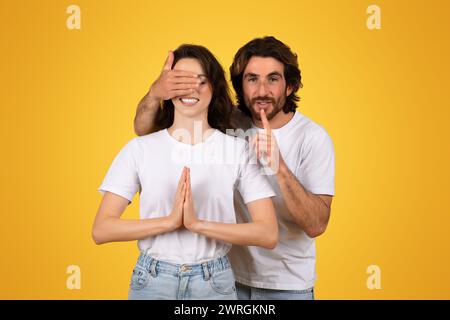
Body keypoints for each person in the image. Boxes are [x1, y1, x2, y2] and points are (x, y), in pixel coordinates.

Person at [134, 36, 335, 300]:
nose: (262, 90)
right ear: (241, 85)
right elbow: (144, 130)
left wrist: (280, 167)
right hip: (225, 279)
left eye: (273, 79)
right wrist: (155, 94)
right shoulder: (228, 124)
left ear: (290, 86)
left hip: (288, 285)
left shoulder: (312, 137)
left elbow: (316, 225)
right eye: (252, 79)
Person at [93, 44, 278, 300]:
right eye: (180, 82)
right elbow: (102, 230)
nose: (191, 90)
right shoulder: (140, 149)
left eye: (201, 82)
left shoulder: (236, 150)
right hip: (152, 280)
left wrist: (198, 225)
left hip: (214, 282)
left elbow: (267, 233)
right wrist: (169, 222)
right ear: (167, 90)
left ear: (214, 88)